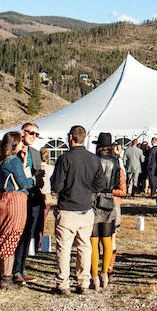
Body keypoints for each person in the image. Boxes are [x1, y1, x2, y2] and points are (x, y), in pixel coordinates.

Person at [50, 125, 105, 295]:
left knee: (64, 248)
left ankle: (63, 283)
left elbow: (56, 185)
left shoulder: (65, 159)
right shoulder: (94, 159)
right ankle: (83, 282)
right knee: (84, 246)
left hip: (67, 208)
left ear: (71, 138)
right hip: (86, 209)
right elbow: (100, 184)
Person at [0, 132, 36, 289]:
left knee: (1, 234)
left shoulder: (2, 160)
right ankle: (6, 279)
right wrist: (33, 178)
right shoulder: (13, 161)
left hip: (5, 199)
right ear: (15, 144)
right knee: (11, 237)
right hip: (15, 201)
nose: (23, 145)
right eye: (21, 142)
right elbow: (23, 183)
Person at [92, 133, 126, 289]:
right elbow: (119, 184)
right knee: (107, 239)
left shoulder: (93, 161)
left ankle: (93, 276)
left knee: (93, 241)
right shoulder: (116, 161)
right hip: (108, 200)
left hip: (93, 199)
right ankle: (104, 273)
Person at [13, 123, 44, 286]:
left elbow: (38, 176)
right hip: (18, 197)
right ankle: (13, 269)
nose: (34, 136)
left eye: (36, 134)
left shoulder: (36, 153)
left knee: (28, 233)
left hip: (34, 196)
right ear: (22, 133)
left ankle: (21, 268)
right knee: (17, 233)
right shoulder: (13, 152)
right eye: (31, 133)